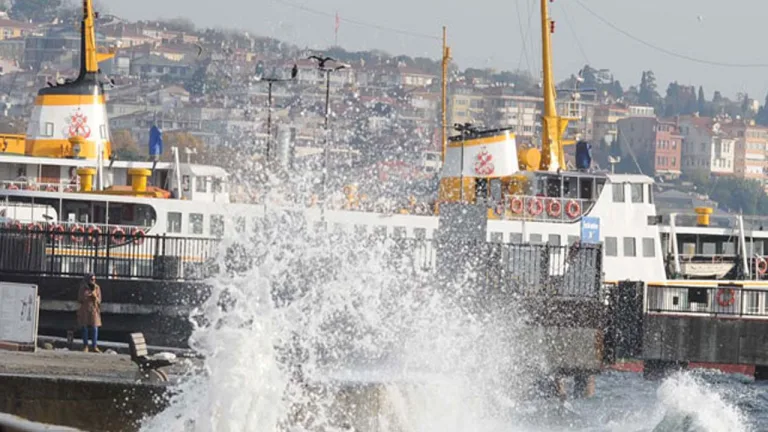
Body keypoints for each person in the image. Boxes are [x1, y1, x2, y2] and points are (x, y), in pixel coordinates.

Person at [77, 273, 102, 353]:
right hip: (85, 309)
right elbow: (79, 299)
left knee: (95, 327)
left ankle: (94, 346)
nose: (93, 281)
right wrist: (86, 296)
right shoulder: (83, 288)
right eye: (92, 279)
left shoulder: (97, 288)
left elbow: (99, 301)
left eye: (94, 279)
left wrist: (95, 296)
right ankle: (85, 346)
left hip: (94, 309)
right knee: (84, 328)